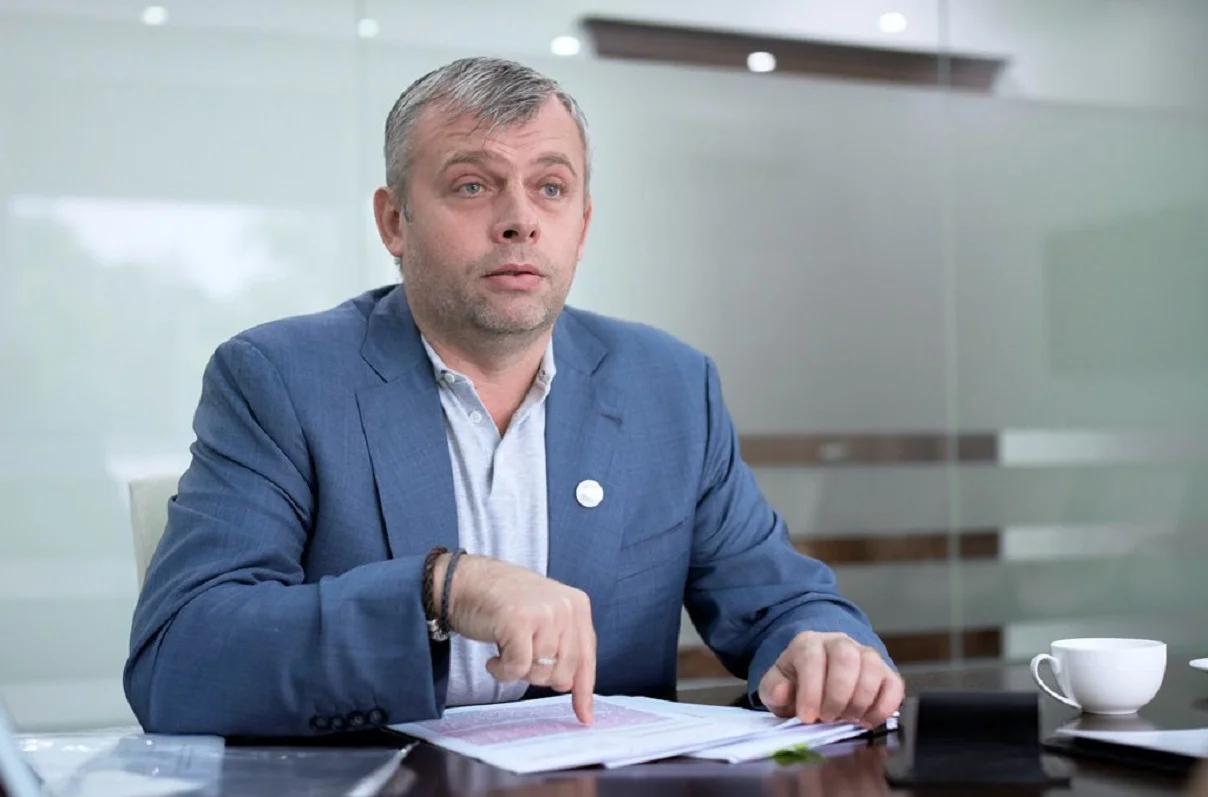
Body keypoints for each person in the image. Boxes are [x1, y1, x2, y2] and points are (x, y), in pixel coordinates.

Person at [123, 56, 904, 738]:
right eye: (473, 185)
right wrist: (443, 587)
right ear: (394, 221)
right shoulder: (281, 378)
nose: (520, 221)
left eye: (550, 188)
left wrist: (822, 648)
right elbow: (179, 660)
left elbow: (780, 602)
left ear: (582, 225)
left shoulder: (669, 385)